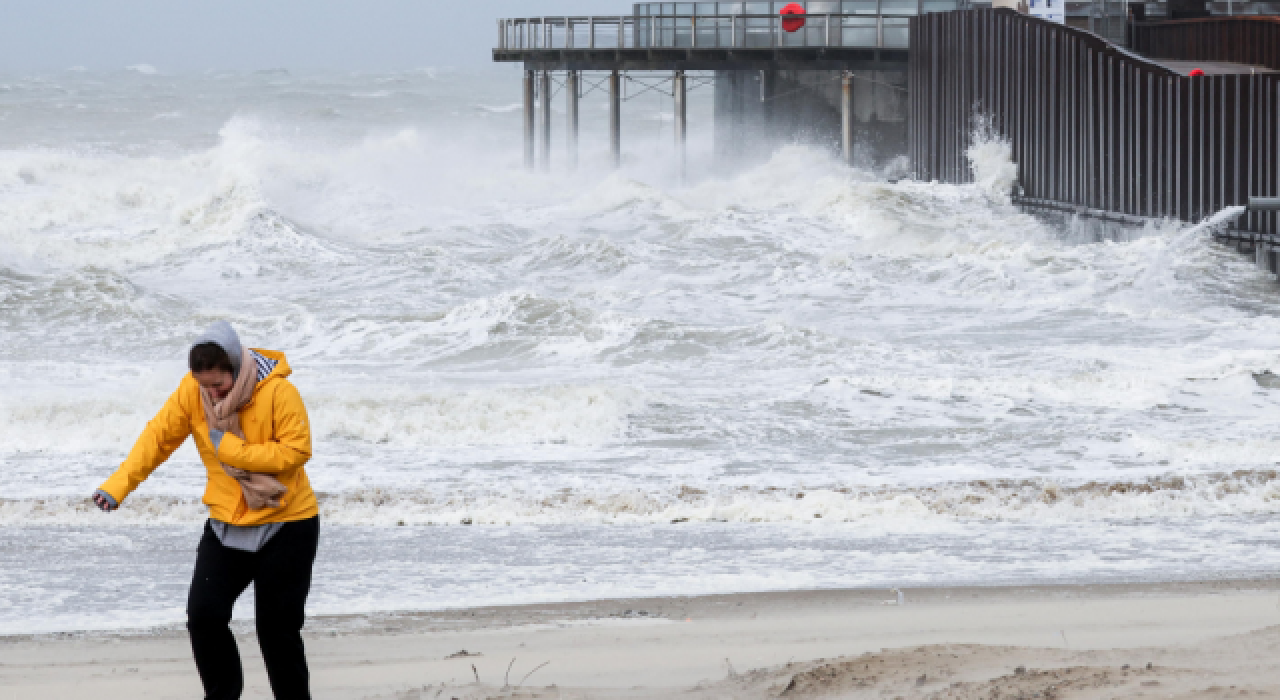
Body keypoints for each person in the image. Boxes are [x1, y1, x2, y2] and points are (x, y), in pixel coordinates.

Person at [92, 321, 318, 700]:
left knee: (276, 631)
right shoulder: (192, 393)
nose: (212, 394)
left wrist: (232, 450)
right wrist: (118, 486)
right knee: (204, 617)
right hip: (226, 522)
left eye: (218, 385)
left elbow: (297, 451)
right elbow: (157, 439)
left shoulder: (278, 390)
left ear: (235, 366)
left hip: (287, 523)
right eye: (204, 385)